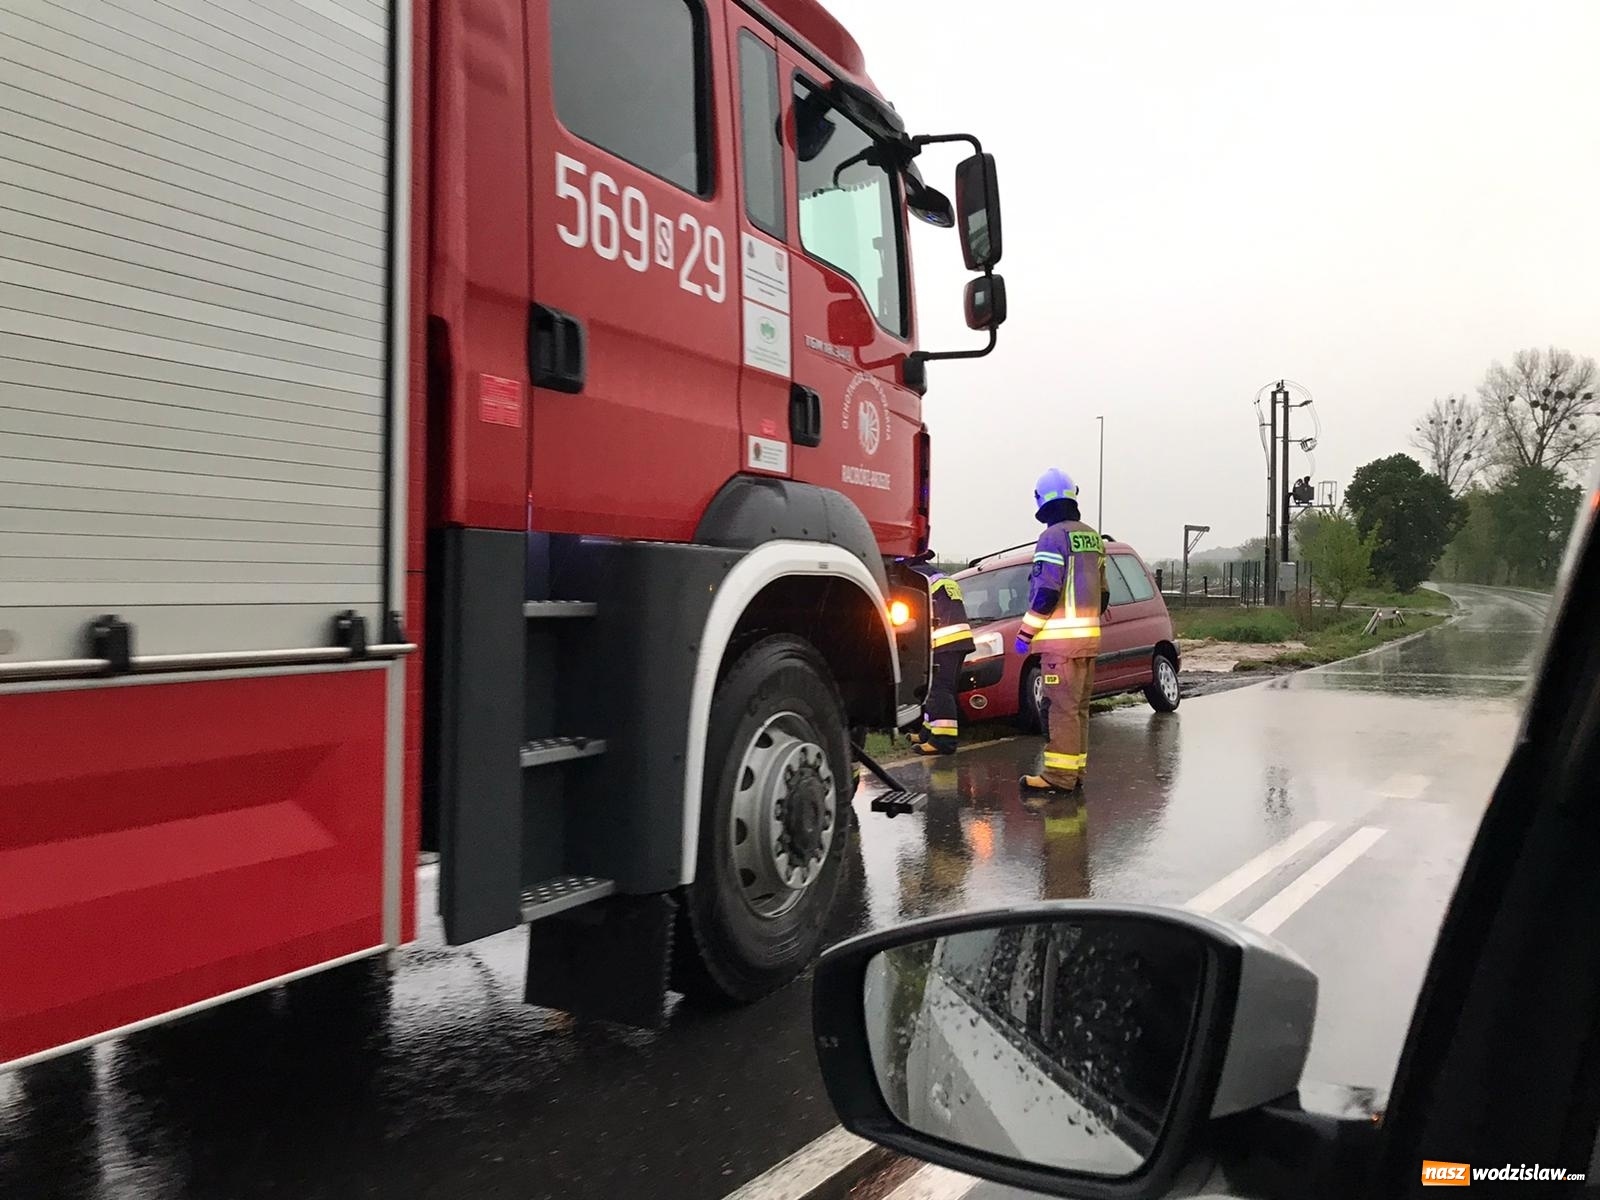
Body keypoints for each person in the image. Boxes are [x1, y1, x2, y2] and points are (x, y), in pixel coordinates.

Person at [1015, 468, 1109, 794]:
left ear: (1042, 502)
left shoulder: (1052, 538)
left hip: (1061, 648)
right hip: (1088, 643)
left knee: (1062, 710)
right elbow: (1105, 593)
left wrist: (1026, 633)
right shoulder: (1093, 538)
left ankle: (1059, 776)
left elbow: (1046, 592)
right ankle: (1076, 770)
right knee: (1080, 709)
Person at [909, 560, 975, 756]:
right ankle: (927, 732)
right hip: (958, 638)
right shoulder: (938, 574)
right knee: (936, 688)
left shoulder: (916, 576)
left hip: (942, 639)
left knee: (939, 688)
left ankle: (943, 741)